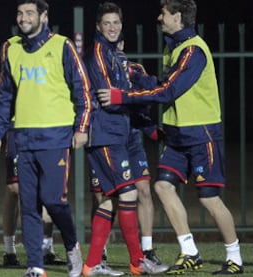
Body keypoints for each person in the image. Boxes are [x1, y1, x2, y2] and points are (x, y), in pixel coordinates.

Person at [97, 0, 244, 275]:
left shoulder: (193, 50)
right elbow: (162, 84)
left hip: (201, 134)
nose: (159, 17)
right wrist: (136, 75)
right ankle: (190, 252)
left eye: (163, 13)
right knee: (163, 187)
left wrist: (123, 95)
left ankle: (234, 257)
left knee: (209, 198)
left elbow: (168, 91)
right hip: (176, 135)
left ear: (177, 17)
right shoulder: (174, 47)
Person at [0, 0, 92, 276]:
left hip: (56, 136)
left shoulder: (62, 46)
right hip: (22, 137)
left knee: (53, 199)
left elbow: (82, 89)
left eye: (29, 13)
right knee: (29, 204)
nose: (23, 18)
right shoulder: (11, 48)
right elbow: (5, 96)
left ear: (43, 16)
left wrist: (81, 127)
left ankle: (72, 245)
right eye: (20, 13)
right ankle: (35, 265)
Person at [82, 2, 169, 275]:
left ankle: (92, 264)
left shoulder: (116, 55)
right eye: (106, 23)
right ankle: (137, 261)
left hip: (119, 132)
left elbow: (129, 90)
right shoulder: (97, 53)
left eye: (116, 23)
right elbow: (108, 98)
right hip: (105, 133)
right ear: (98, 26)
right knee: (128, 193)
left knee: (111, 199)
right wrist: (131, 99)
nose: (112, 27)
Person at [1, 127, 59, 267]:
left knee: (47, 186)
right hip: (19, 127)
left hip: (48, 128)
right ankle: (9, 250)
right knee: (14, 188)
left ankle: (46, 249)